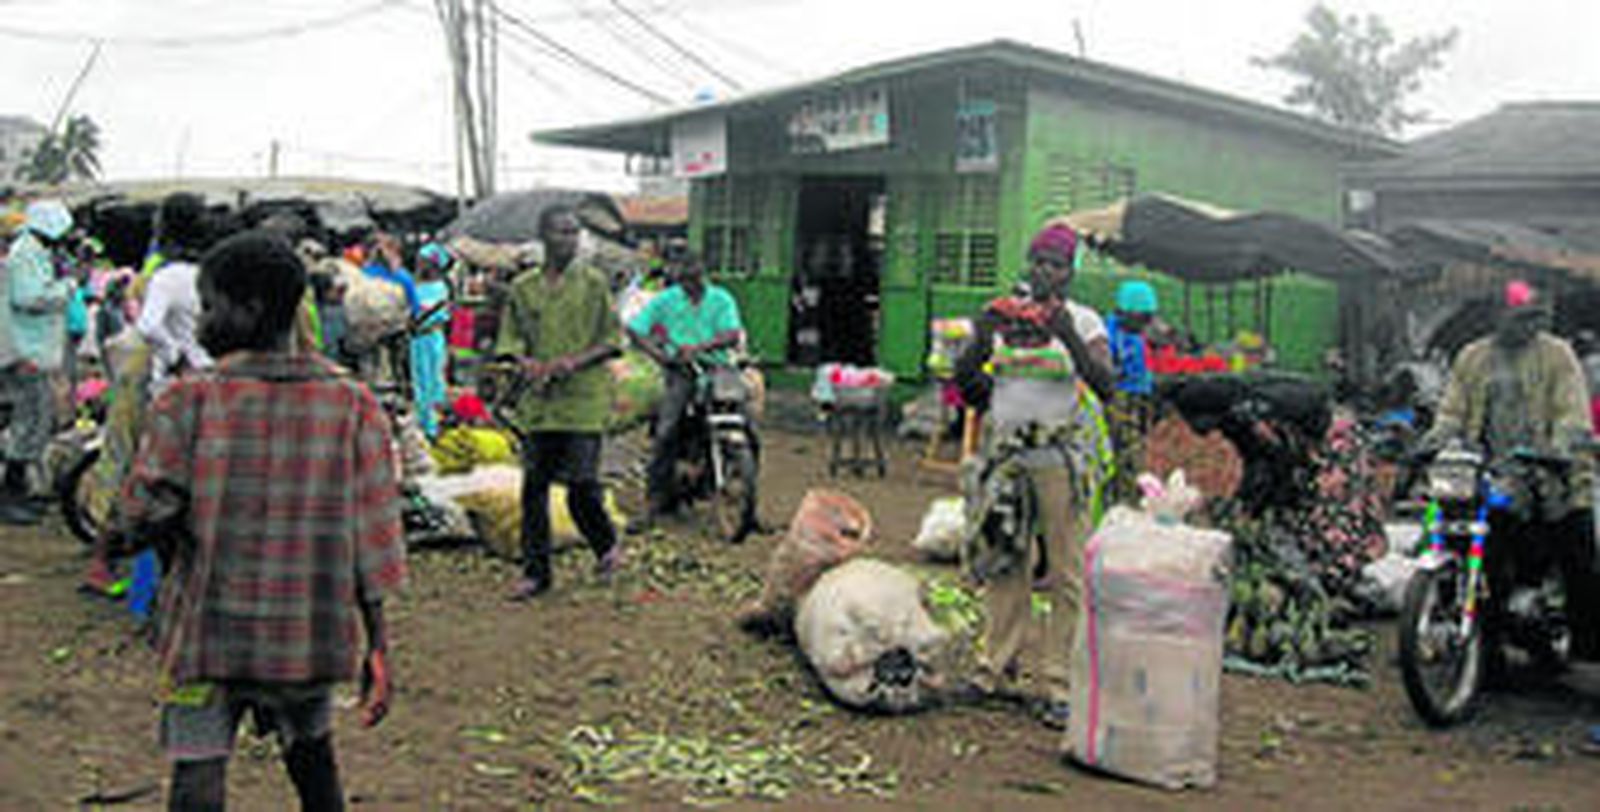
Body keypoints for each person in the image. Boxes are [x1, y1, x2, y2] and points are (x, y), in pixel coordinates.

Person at [112, 231, 405, 812]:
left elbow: (141, 515)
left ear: (248, 310)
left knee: (197, 767)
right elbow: (374, 541)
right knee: (312, 756)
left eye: (210, 306)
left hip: (206, 631)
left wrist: (128, 537)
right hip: (305, 635)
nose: (201, 323)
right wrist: (379, 646)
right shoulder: (352, 404)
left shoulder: (187, 400)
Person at [952, 222, 1113, 730]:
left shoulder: (1084, 322)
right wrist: (981, 337)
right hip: (1007, 457)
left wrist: (1066, 334)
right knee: (1005, 562)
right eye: (1039, 261)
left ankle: (1059, 684)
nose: (1046, 272)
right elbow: (971, 386)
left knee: (1066, 572)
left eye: (1057, 264)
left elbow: (1107, 385)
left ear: (1070, 272)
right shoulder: (1005, 317)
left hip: (1059, 459)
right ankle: (993, 670)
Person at [1424, 280, 1600, 664]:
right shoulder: (1471, 357)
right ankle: (1481, 641)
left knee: (1580, 561)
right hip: (1488, 475)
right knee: (1457, 537)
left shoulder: (1558, 355)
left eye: (1533, 318)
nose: (1526, 326)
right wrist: (1434, 440)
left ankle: (1587, 643)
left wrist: (1561, 447)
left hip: (1552, 477)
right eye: (1518, 317)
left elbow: (1572, 411)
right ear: (1496, 317)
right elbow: (1452, 410)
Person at [495, 205, 624, 600]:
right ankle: (536, 573)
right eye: (561, 232)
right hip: (540, 401)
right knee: (534, 487)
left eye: (574, 232)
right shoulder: (523, 288)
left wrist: (574, 362)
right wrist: (524, 362)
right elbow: (510, 339)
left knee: (582, 484)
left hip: (583, 398)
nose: (569, 239)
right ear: (543, 236)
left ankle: (605, 543)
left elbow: (612, 340)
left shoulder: (593, 283)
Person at [626, 246, 746, 529]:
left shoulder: (721, 298)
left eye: (693, 274)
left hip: (717, 369)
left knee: (746, 425)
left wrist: (702, 347)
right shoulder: (666, 300)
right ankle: (652, 503)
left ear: (702, 272)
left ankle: (749, 504)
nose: (688, 281)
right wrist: (660, 357)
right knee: (666, 431)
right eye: (682, 276)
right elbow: (635, 329)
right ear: (676, 276)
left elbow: (731, 333)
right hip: (681, 372)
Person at [0, 199, 76, 524]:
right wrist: (66, 287)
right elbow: (29, 297)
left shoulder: (30, 251)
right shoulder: (26, 254)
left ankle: (17, 490)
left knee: (34, 418)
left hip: (29, 348)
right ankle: (10, 494)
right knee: (30, 419)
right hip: (24, 350)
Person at [138, 193, 215, 395]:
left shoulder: (167, 278)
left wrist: (174, 354)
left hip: (176, 382)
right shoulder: (210, 271)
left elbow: (148, 326)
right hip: (210, 373)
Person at [1104, 279, 1159, 501]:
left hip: (1137, 398)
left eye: (1148, 317)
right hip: (1119, 400)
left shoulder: (1134, 334)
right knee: (1123, 454)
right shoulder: (1108, 332)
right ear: (1124, 312)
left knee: (1136, 452)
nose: (1146, 324)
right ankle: (1121, 498)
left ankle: (1129, 494)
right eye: (1143, 318)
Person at [411, 242, 452, 438]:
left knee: (434, 381)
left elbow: (431, 311)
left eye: (423, 261)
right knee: (419, 381)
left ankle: (434, 427)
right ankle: (422, 425)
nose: (419, 265)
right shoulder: (415, 285)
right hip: (416, 340)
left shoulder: (440, 288)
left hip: (432, 338)